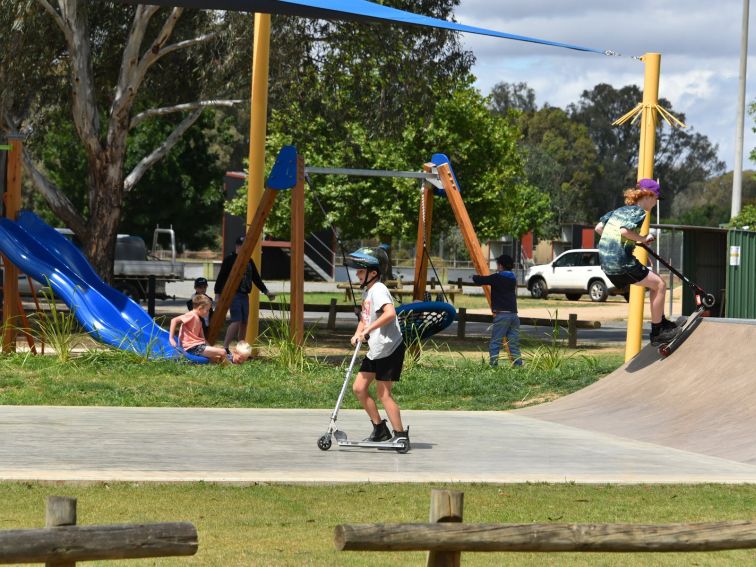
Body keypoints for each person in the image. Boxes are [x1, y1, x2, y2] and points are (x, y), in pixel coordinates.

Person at [595, 178, 680, 345]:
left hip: (606, 265)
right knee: (660, 285)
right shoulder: (638, 212)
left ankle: (660, 322)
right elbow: (624, 230)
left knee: (654, 284)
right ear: (648, 196)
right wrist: (642, 238)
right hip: (622, 263)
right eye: (656, 199)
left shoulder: (618, 211)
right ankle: (658, 332)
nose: (655, 203)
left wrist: (615, 240)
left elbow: (599, 228)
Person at [347, 246, 409, 448]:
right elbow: (365, 319)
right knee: (359, 388)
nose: (357, 273)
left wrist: (368, 330)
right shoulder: (368, 291)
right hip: (377, 349)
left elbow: (390, 313)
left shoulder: (379, 289)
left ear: (373, 273)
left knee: (383, 394)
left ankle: (400, 435)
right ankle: (380, 429)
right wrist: (359, 332)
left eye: (361, 270)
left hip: (390, 348)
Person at [214, 236, 276, 351]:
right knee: (236, 320)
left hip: (244, 295)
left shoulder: (249, 260)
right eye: (244, 246)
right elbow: (221, 277)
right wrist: (217, 294)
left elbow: (256, 278)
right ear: (238, 246)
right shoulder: (230, 259)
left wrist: (266, 291)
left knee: (244, 322)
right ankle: (225, 347)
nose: (247, 248)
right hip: (233, 294)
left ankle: (240, 348)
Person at [472, 254, 523, 367]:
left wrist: (474, 276)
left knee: (495, 342)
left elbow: (480, 280)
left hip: (502, 315)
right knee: (513, 343)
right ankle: (518, 365)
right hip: (514, 315)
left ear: (500, 265)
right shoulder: (513, 278)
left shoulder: (497, 277)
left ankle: (493, 365)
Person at [169, 295, 227, 362]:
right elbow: (174, 320)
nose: (208, 313)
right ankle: (229, 368)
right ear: (200, 308)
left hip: (197, 346)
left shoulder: (199, 321)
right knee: (223, 352)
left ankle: (220, 367)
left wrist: (211, 348)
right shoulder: (191, 315)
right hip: (191, 348)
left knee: (216, 356)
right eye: (207, 310)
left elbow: (203, 340)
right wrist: (171, 338)